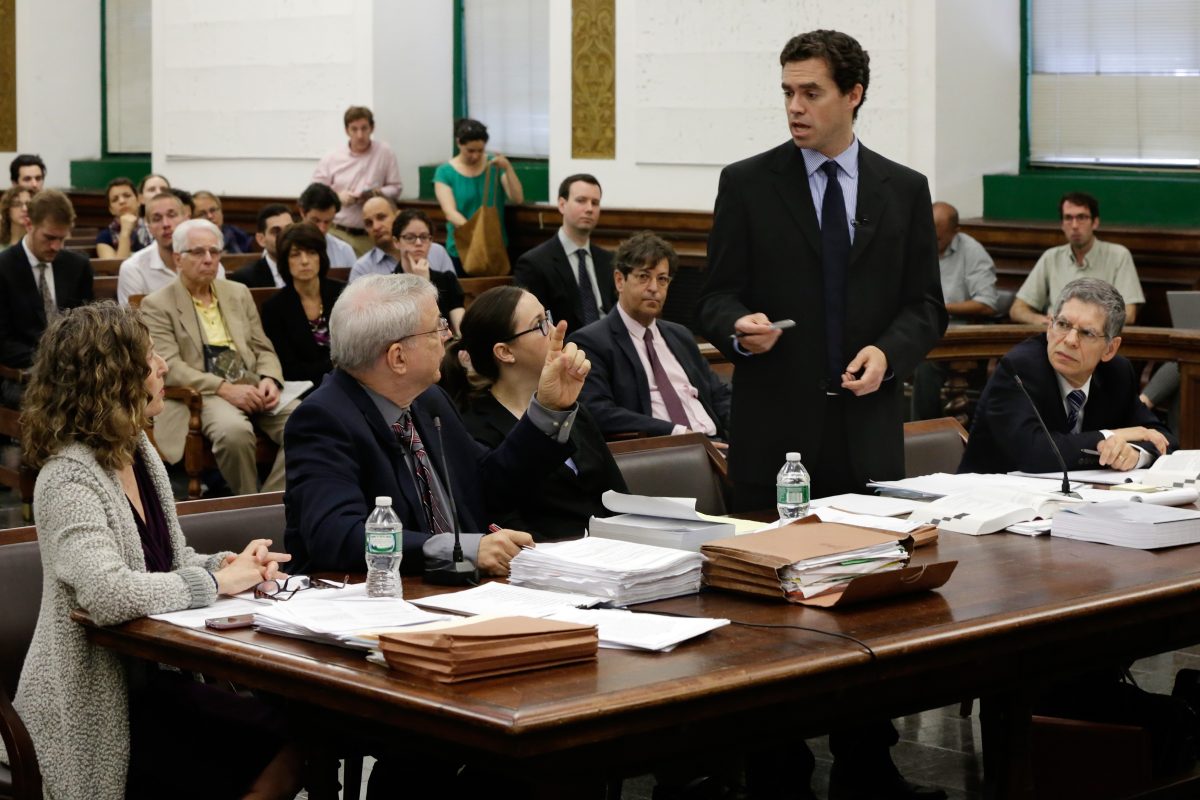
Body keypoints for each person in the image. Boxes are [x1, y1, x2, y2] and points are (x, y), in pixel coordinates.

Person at [696, 30, 947, 800]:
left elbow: (925, 307)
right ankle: (778, 773)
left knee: (868, 611)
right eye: (787, 92)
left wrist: (889, 354)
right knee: (770, 616)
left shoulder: (903, 189)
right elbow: (714, 297)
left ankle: (868, 767)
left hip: (865, 435)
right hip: (775, 436)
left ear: (853, 94)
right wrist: (738, 327)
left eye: (811, 92)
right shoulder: (748, 182)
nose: (795, 107)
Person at [0, 302, 301, 800]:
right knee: (277, 744)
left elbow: (169, 559)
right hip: (99, 705)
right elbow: (107, 594)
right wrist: (216, 582)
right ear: (110, 378)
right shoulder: (68, 477)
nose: (163, 366)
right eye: (149, 358)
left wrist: (233, 566)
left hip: (155, 676)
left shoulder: (138, 450)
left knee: (295, 733)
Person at [283, 273, 590, 577]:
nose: (447, 335)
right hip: (380, 596)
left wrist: (549, 407)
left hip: (464, 590)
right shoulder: (322, 420)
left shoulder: (429, 400)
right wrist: (461, 550)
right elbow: (337, 536)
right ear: (398, 358)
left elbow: (490, 484)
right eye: (436, 328)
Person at [443, 285, 627, 540]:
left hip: (614, 550)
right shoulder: (474, 427)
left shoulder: (570, 407)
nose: (554, 330)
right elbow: (503, 518)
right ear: (505, 352)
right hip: (547, 556)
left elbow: (618, 496)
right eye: (539, 324)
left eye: (547, 317)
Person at [141, 219, 296, 496]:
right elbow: (171, 367)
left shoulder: (237, 292)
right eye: (198, 252)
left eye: (214, 251)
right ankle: (247, 502)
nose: (209, 259)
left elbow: (262, 347)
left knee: (306, 421)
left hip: (251, 384)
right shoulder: (157, 304)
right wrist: (225, 388)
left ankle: (271, 500)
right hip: (204, 393)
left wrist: (270, 379)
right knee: (234, 432)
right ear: (178, 258)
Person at [960, 278, 1174, 474]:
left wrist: (1135, 454)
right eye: (1063, 325)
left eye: (1087, 333)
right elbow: (1034, 453)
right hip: (990, 496)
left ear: (1110, 349)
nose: (1070, 340)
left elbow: (1162, 438)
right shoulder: (1019, 368)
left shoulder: (1116, 373)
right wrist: (1111, 436)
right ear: (1049, 327)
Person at [570, 231, 732, 441]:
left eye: (662, 279)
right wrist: (676, 432)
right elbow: (598, 411)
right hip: (660, 449)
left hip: (718, 444)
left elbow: (719, 395)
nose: (654, 288)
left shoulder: (680, 336)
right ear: (620, 280)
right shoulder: (591, 342)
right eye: (644, 277)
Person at [0, 190, 94, 409]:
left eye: (62, 239)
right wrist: (52, 360)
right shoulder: (4, 268)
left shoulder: (77, 266)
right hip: (21, 373)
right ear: (29, 224)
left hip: (74, 370)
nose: (56, 247)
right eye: (50, 238)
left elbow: (88, 327)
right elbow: (2, 342)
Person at [911, 201, 999, 419]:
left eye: (938, 238)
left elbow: (987, 303)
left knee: (926, 364)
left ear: (956, 231)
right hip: (920, 325)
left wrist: (941, 308)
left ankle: (923, 430)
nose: (931, 241)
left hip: (960, 334)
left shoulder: (972, 252)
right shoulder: (916, 245)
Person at [1010, 192, 1145, 325]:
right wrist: (1043, 321)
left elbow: (1129, 314)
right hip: (1057, 333)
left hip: (1097, 335)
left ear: (1095, 222)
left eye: (1081, 217)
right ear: (1062, 224)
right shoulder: (1051, 257)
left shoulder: (1119, 256)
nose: (1074, 225)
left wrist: (1087, 324)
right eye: (1068, 218)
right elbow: (1017, 309)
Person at [514, 173, 616, 335]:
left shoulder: (609, 260)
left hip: (611, 342)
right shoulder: (534, 263)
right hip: (565, 344)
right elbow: (534, 325)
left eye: (595, 203)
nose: (589, 209)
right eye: (581, 200)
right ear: (562, 205)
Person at [433, 118, 524, 272]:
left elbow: (517, 198)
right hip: (462, 246)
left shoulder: (494, 166)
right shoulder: (445, 172)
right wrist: (476, 234)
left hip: (494, 245)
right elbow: (450, 213)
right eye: (470, 151)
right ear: (459, 143)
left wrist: (508, 168)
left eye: (480, 151)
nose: (475, 156)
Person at [312, 105, 402, 257]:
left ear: (372, 128)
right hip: (338, 231)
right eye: (354, 129)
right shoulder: (332, 156)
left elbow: (396, 188)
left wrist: (376, 193)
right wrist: (337, 197)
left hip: (370, 234)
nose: (360, 135)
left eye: (364, 128)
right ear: (347, 131)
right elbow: (315, 191)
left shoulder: (384, 152)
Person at [261, 222, 344, 385]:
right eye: (295, 255)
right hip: (306, 387)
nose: (305, 261)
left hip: (350, 381)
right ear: (285, 261)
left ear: (321, 257)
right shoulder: (274, 308)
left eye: (311, 253)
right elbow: (288, 369)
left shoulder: (343, 294)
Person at [117, 191, 226, 306]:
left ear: (186, 219)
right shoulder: (133, 268)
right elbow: (133, 316)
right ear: (149, 227)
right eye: (157, 218)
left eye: (172, 215)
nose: (166, 224)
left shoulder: (209, 263)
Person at [390, 208, 466, 334]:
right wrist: (422, 285)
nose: (418, 243)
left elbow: (461, 329)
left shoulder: (447, 279)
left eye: (424, 237)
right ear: (396, 242)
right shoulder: (389, 286)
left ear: (430, 241)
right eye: (410, 237)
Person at [349, 194, 456, 283]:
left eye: (381, 217)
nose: (376, 227)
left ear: (397, 216)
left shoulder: (437, 252)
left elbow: (453, 294)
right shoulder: (362, 268)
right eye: (369, 223)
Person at [229, 203, 294, 288]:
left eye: (289, 229)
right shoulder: (244, 279)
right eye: (276, 232)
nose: (284, 236)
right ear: (261, 239)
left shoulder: (308, 270)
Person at [297, 181, 357, 269]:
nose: (322, 229)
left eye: (327, 222)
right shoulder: (287, 248)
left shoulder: (344, 251)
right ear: (302, 212)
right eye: (316, 221)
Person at [95, 177, 153, 259]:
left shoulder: (153, 228)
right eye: (115, 199)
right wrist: (125, 233)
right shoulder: (105, 237)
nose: (122, 201)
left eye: (127, 196)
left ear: (138, 200)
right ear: (111, 209)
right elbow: (116, 266)